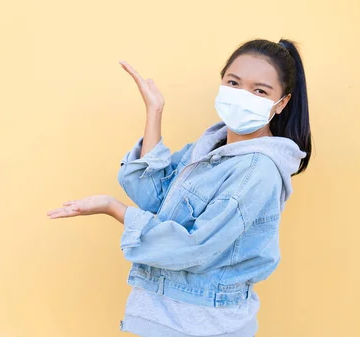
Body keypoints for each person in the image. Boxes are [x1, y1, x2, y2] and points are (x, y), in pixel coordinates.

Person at [47, 38, 312, 337]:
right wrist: (154, 112)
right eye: (233, 83)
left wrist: (114, 209)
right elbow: (154, 196)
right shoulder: (208, 149)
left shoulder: (257, 171)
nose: (242, 95)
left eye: (259, 90)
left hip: (204, 326)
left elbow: (194, 247)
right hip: (168, 319)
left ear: (282, 103)